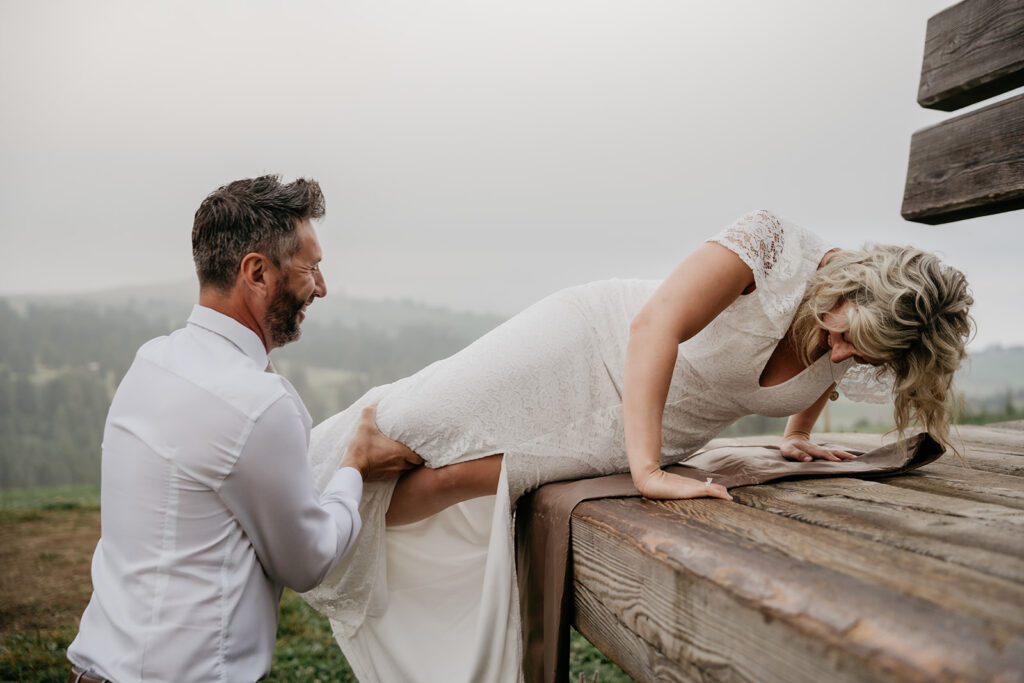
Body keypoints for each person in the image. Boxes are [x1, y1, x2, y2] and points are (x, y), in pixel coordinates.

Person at [301, 209, 973, 682]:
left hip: (649, 424)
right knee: (421, 420)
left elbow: (822, 374)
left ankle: (323, 545)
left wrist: (798, 435)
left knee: (462, 481)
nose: (841, 354)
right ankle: (302, 490)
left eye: (861, 353)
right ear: (849, 284)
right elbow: (657, 323)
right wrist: (647, 471)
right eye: (841, 333)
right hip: (594, 344)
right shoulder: (773, 244)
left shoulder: (864, 333)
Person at [67, 175, 421, 683]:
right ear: (256, 271)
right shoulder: (258, 404)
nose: (321, 287)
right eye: (311, 267)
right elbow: (308, 560)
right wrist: (355, 466)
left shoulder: (152, 361)